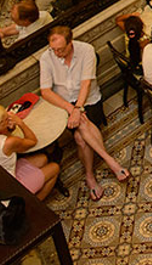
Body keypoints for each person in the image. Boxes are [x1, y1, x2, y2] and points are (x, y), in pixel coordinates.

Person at [39, 26, 129, 198]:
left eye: (61, 49)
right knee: (81, 131)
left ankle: (90, 176)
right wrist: (71, 109)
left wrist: (78, 109)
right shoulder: (46, 58)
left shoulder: (86, 50)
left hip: (88, 99)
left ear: (70, 43)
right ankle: (109, 161)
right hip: (64, 103)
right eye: (54, 49)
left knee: (81, 139)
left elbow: (86, 84)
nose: (57, 53)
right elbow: (46, 92)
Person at [0, 104, 61, 199]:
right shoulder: (9, 143)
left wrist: (7, 130)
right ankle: (35, 203)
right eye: (5, 119)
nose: (9, 119)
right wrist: (20, 123)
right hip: (12, 185)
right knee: (55, 167)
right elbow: (32, 141)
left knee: (43, 158)